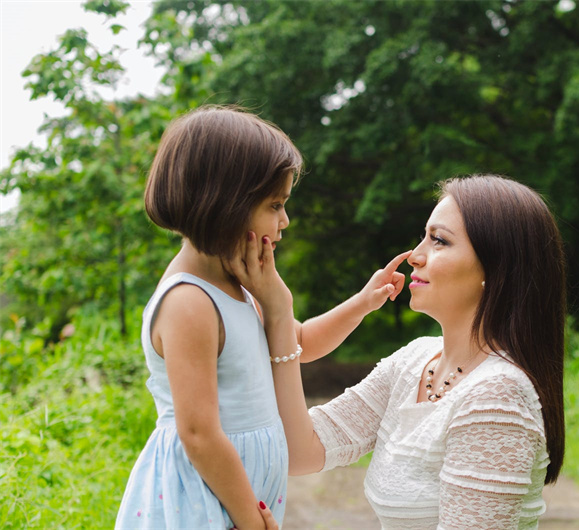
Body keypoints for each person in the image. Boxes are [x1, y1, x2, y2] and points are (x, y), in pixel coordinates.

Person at [115, 106, 408, 530]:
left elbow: (301, 343)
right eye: (275, 205)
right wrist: (248, 518)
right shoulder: (190, 302)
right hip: (201, 501)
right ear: (223, 203)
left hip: (238, 501)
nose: (285, 220)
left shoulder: (244, 284)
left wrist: (363, 302)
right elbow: (198, 434)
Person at [231, 174, 567, 528]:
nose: (415, 257)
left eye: (439, 241)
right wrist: (279, 315)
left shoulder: (496, 397)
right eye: (423, 237)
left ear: (496, 269)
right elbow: (301, 451)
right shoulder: (414, 361)